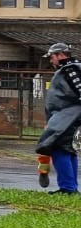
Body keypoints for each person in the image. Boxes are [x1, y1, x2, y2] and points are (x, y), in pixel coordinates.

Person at [35, 43, 81, 195]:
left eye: (52, 56)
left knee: (58, 147)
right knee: (69, 149)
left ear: (61, 54)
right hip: (65, 115)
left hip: (68, 116)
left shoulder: (70, 69)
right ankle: (71, 187)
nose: (51, 60)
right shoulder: (68, 69)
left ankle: (68, 188)